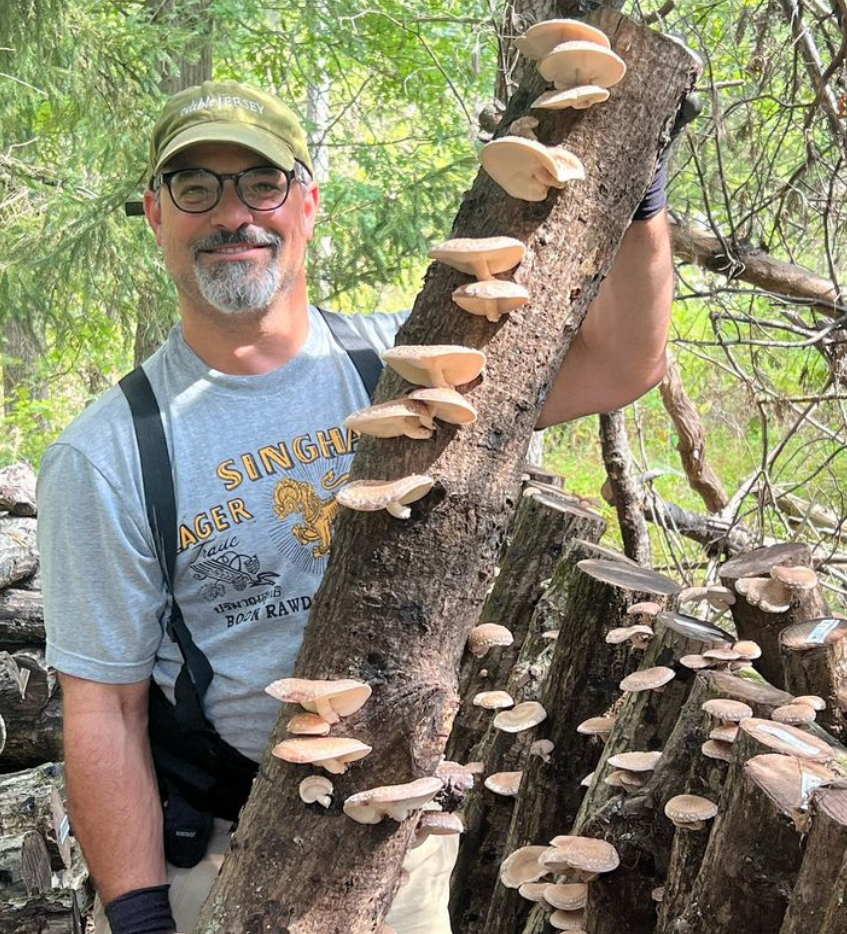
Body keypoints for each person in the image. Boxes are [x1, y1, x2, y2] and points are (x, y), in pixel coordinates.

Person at [37, 78, 677, 934]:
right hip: (224, 854)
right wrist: (141, 914)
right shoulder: (108, 452)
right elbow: (103, 708)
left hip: (398, 837)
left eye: (261, 183)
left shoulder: (407, 364)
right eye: (196, 187)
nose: (233, 215)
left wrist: (640, 194)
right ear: (155, 212)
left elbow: (618, 366)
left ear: (307, 201)